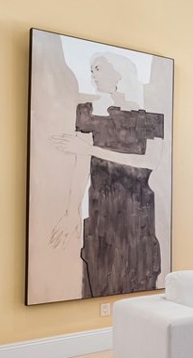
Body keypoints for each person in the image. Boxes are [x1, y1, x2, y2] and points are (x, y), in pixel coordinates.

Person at [50, 52, 165, 297]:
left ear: (119, 73)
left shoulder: (150, 117)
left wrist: (92, 150)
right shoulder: (87, 111)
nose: (92, 75)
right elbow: (80, 165)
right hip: (100, 209)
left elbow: (150, 162)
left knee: (139, 273)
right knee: (99, 273)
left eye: (98, 69)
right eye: (91, 70)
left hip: (138, 211)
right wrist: (71, 211)